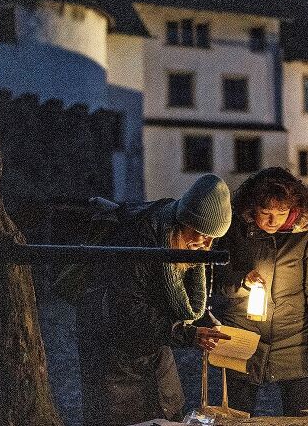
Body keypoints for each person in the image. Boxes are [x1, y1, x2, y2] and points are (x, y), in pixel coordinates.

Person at [75, 174, 233, 426]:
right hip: (114, 354)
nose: (207, 244)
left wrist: (203, 321)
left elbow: (180, 299)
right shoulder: (142, 239)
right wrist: (188, 335)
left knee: (167, 414)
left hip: (155, 350)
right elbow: (127, 308)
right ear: (184, 220)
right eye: (202, 233)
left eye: (214, 238)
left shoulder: (182, 239)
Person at [214, 167, 308, 416]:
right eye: (265, 213)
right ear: (251, 207)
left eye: (281, 213)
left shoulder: (307, 232)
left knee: (301, 417)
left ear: (293, 207)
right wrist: (241, 281)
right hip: (242, 333)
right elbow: (214, 276)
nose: (273, 221)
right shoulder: (234, 228)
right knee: (234, 413)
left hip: (294, 338)